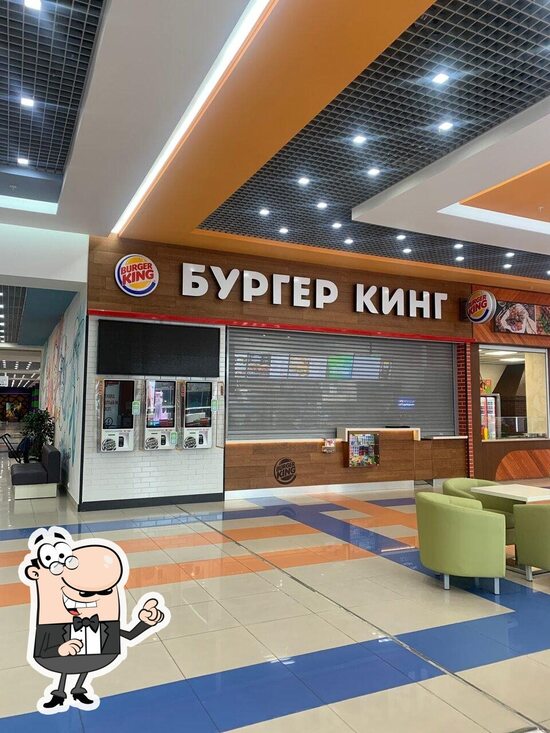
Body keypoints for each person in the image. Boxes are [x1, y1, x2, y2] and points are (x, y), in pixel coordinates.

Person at [19, 527, 169, 714]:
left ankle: (78, 689)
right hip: (60, 659)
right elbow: (42, 651)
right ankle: (59, 693)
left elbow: (129, 636)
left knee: (85, 664)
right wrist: (59, 649)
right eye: (84, 593)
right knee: (66, 666)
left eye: (106, 591)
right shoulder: (52, 624)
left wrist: (145, 622)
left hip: (95, 658)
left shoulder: (105, 622)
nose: (92, 597)